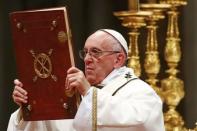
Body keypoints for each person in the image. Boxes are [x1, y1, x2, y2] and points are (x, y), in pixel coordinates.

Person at [7, 29, 165, 131]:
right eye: (86, 52)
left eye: (96, 52)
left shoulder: (140, 92)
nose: (87, 59)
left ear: (119, 59)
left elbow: (140, 122)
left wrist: (88, 93)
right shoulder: (74, 92)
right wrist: (28, 106)